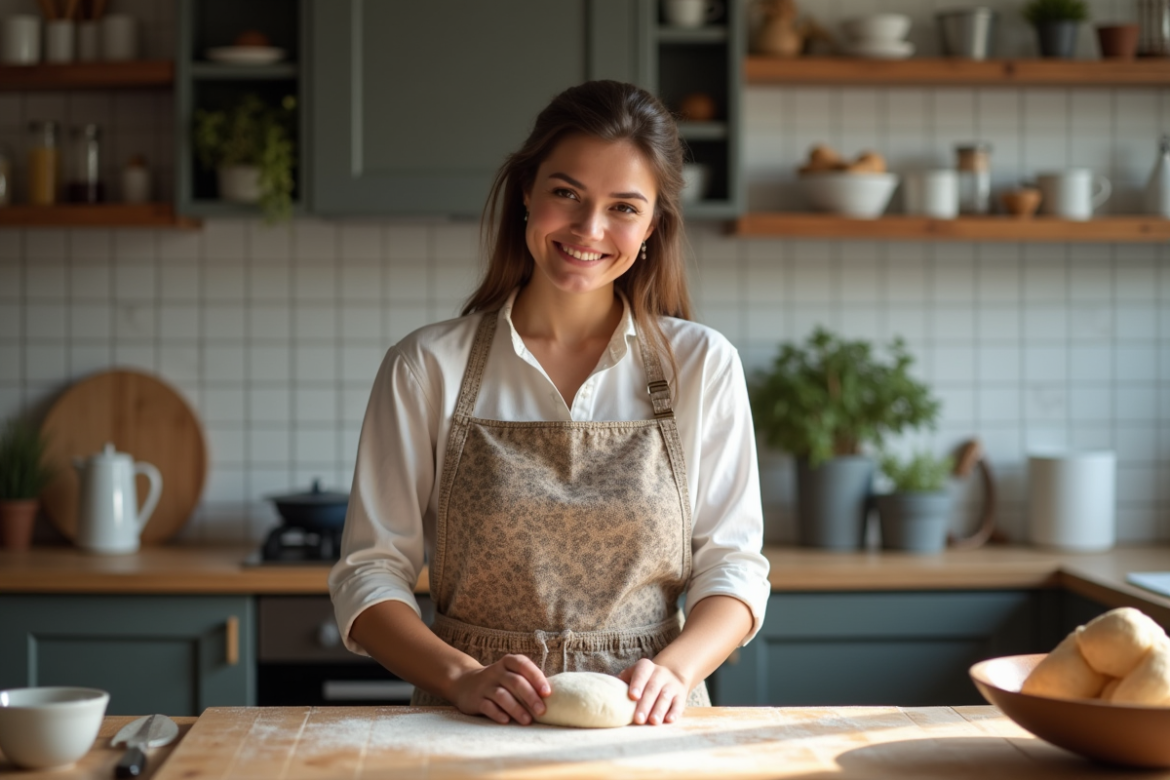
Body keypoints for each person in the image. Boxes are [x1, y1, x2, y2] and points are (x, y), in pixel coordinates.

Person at [329, 80, 770, 727]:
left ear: (652, 226)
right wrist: (462, 677)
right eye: (567, 193)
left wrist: (676, 669)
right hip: (471, 719)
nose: (589, 229)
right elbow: (368, 574)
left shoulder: (700, 365)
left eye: (624, 207)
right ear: (527, 195)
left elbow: (733, 567)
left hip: (649, 723)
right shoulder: (426, 366)